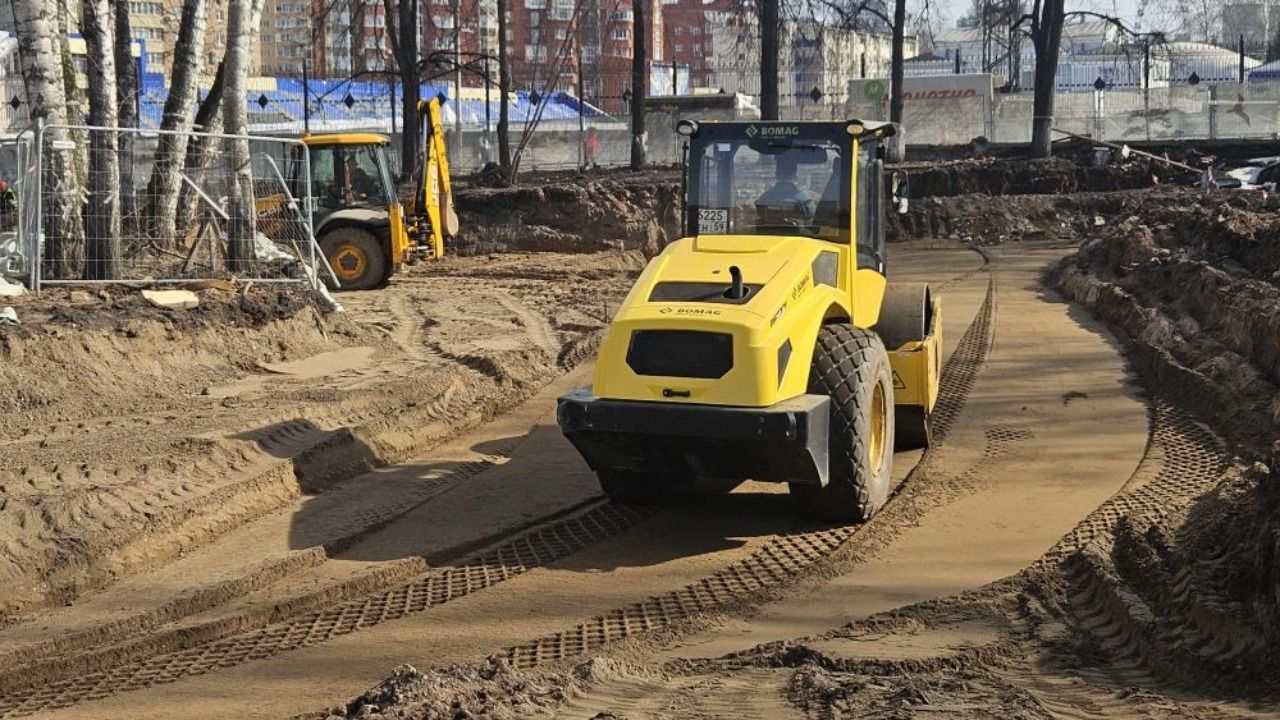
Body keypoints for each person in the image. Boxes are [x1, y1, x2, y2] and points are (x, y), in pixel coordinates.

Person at [754, 155, 816, 227]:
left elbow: (759, 214)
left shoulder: (763, 199)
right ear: (794, 174)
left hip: (765, 237)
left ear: (776, 174)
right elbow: (811, 220)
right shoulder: (804, 201)